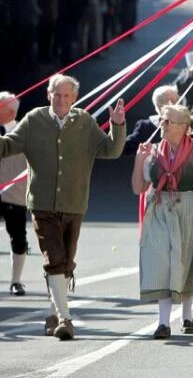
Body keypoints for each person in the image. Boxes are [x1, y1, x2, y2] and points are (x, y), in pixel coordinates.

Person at [0, 74, 126, 340]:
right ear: (48, 95)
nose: (60, 100)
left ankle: (53, 313)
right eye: (56, 95)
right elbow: (8, 146)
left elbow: (111, 150)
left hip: (74, 202)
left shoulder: (84, 122)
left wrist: (117, 125)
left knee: (66, 263)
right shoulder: (35, 119)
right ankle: (66, 319)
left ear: (74, 98)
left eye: (66, 96)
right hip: (42, 204)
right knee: (54, 259)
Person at [132, 104, 193, 339]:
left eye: (168, 122)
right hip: (159, 209)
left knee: (185, 262)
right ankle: (163, 323)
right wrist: (138, 160)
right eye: (162, 120)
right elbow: (138, 188)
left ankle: (187, 315)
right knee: (161, 262)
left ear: (184, 127)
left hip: (189, 210)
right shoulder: (152, 152)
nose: (162, 125)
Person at [0, 92, 29, 296]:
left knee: (18, 238)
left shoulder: (24, 132)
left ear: (10, 111)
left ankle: (15, 281)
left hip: (15, 193)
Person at [123, 85, 179, 155]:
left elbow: (124, 148)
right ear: (172, 101)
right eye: (178, 99)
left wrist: (117, 125)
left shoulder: (145, 126)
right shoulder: (187, 126)